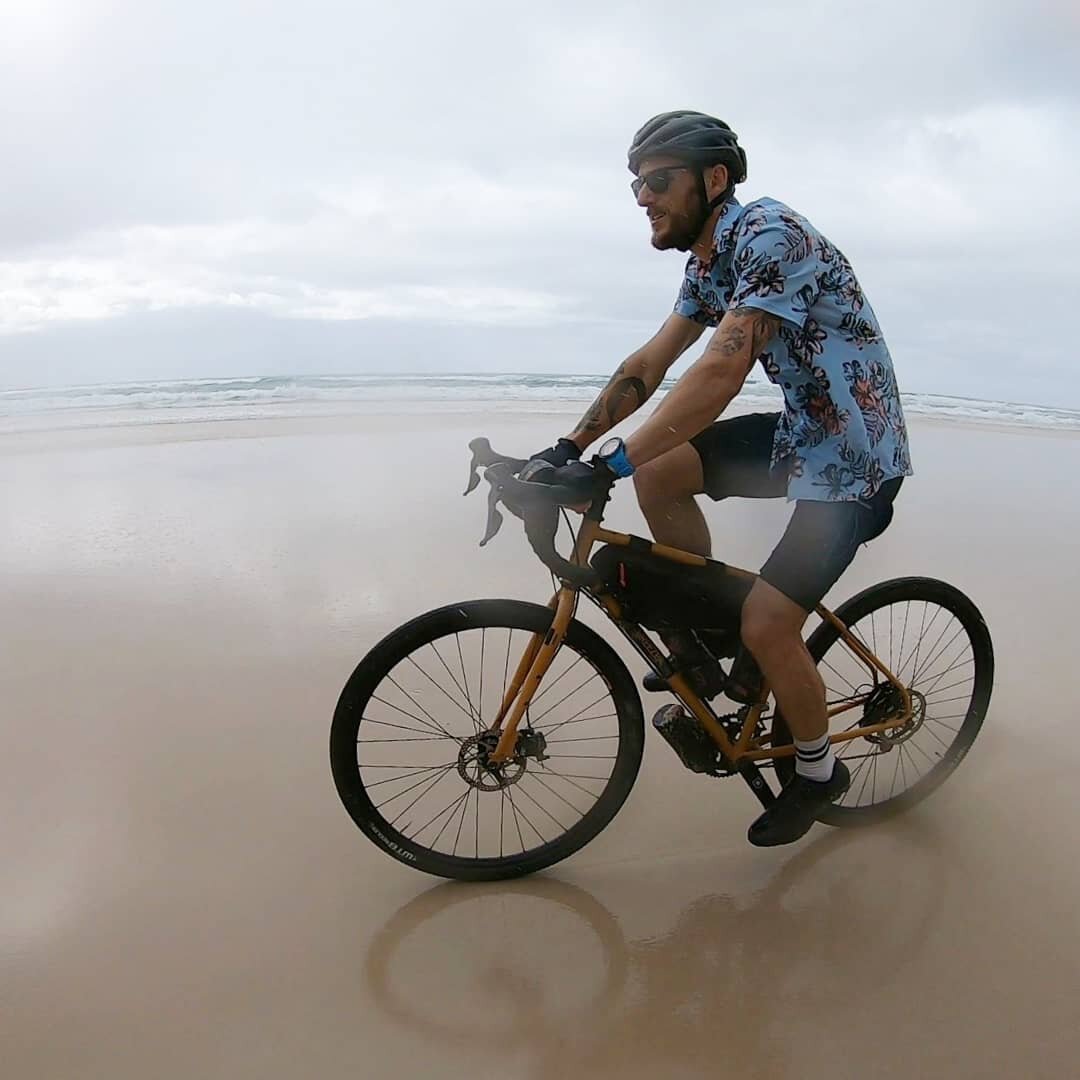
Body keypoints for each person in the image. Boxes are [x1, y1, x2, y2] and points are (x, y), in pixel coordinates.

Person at [526, 110, 913, 847]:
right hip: (802, 432)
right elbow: (652, 361)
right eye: (636, 183)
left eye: (659, 180)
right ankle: (712, 646)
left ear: (714, 179)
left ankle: (818, 769)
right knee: (661, 474)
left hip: (857, 457)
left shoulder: (770, 234)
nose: (643, 196)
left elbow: (722, 368)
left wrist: (610, 461)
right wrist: (567, 446)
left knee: (770, 621)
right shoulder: (708, 263)